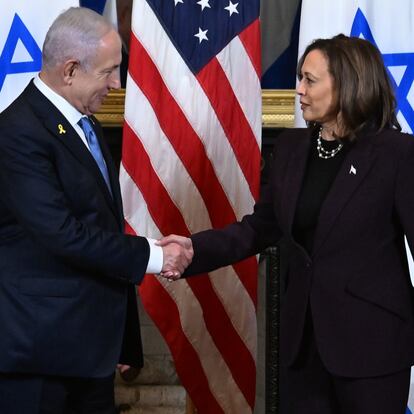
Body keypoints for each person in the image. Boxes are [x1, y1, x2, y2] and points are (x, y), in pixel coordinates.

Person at [158, 34, 414, 414]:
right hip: (303, 344)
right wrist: (193, 249)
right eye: (300, 78)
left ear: (345, 83)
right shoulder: (292, 150)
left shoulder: (397, 154)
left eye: (310, 80)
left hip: (372, 346)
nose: (299, 90)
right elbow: (258, 228)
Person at [0, 7, 191, 414]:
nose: (116, 83)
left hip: (89, 355)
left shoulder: (86, 124)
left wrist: (123, 340)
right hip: (39, 358)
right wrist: (155, 256)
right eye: (109, 71)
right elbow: (63, 234)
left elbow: (100, 225)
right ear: (70, 70)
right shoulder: (17, 132)